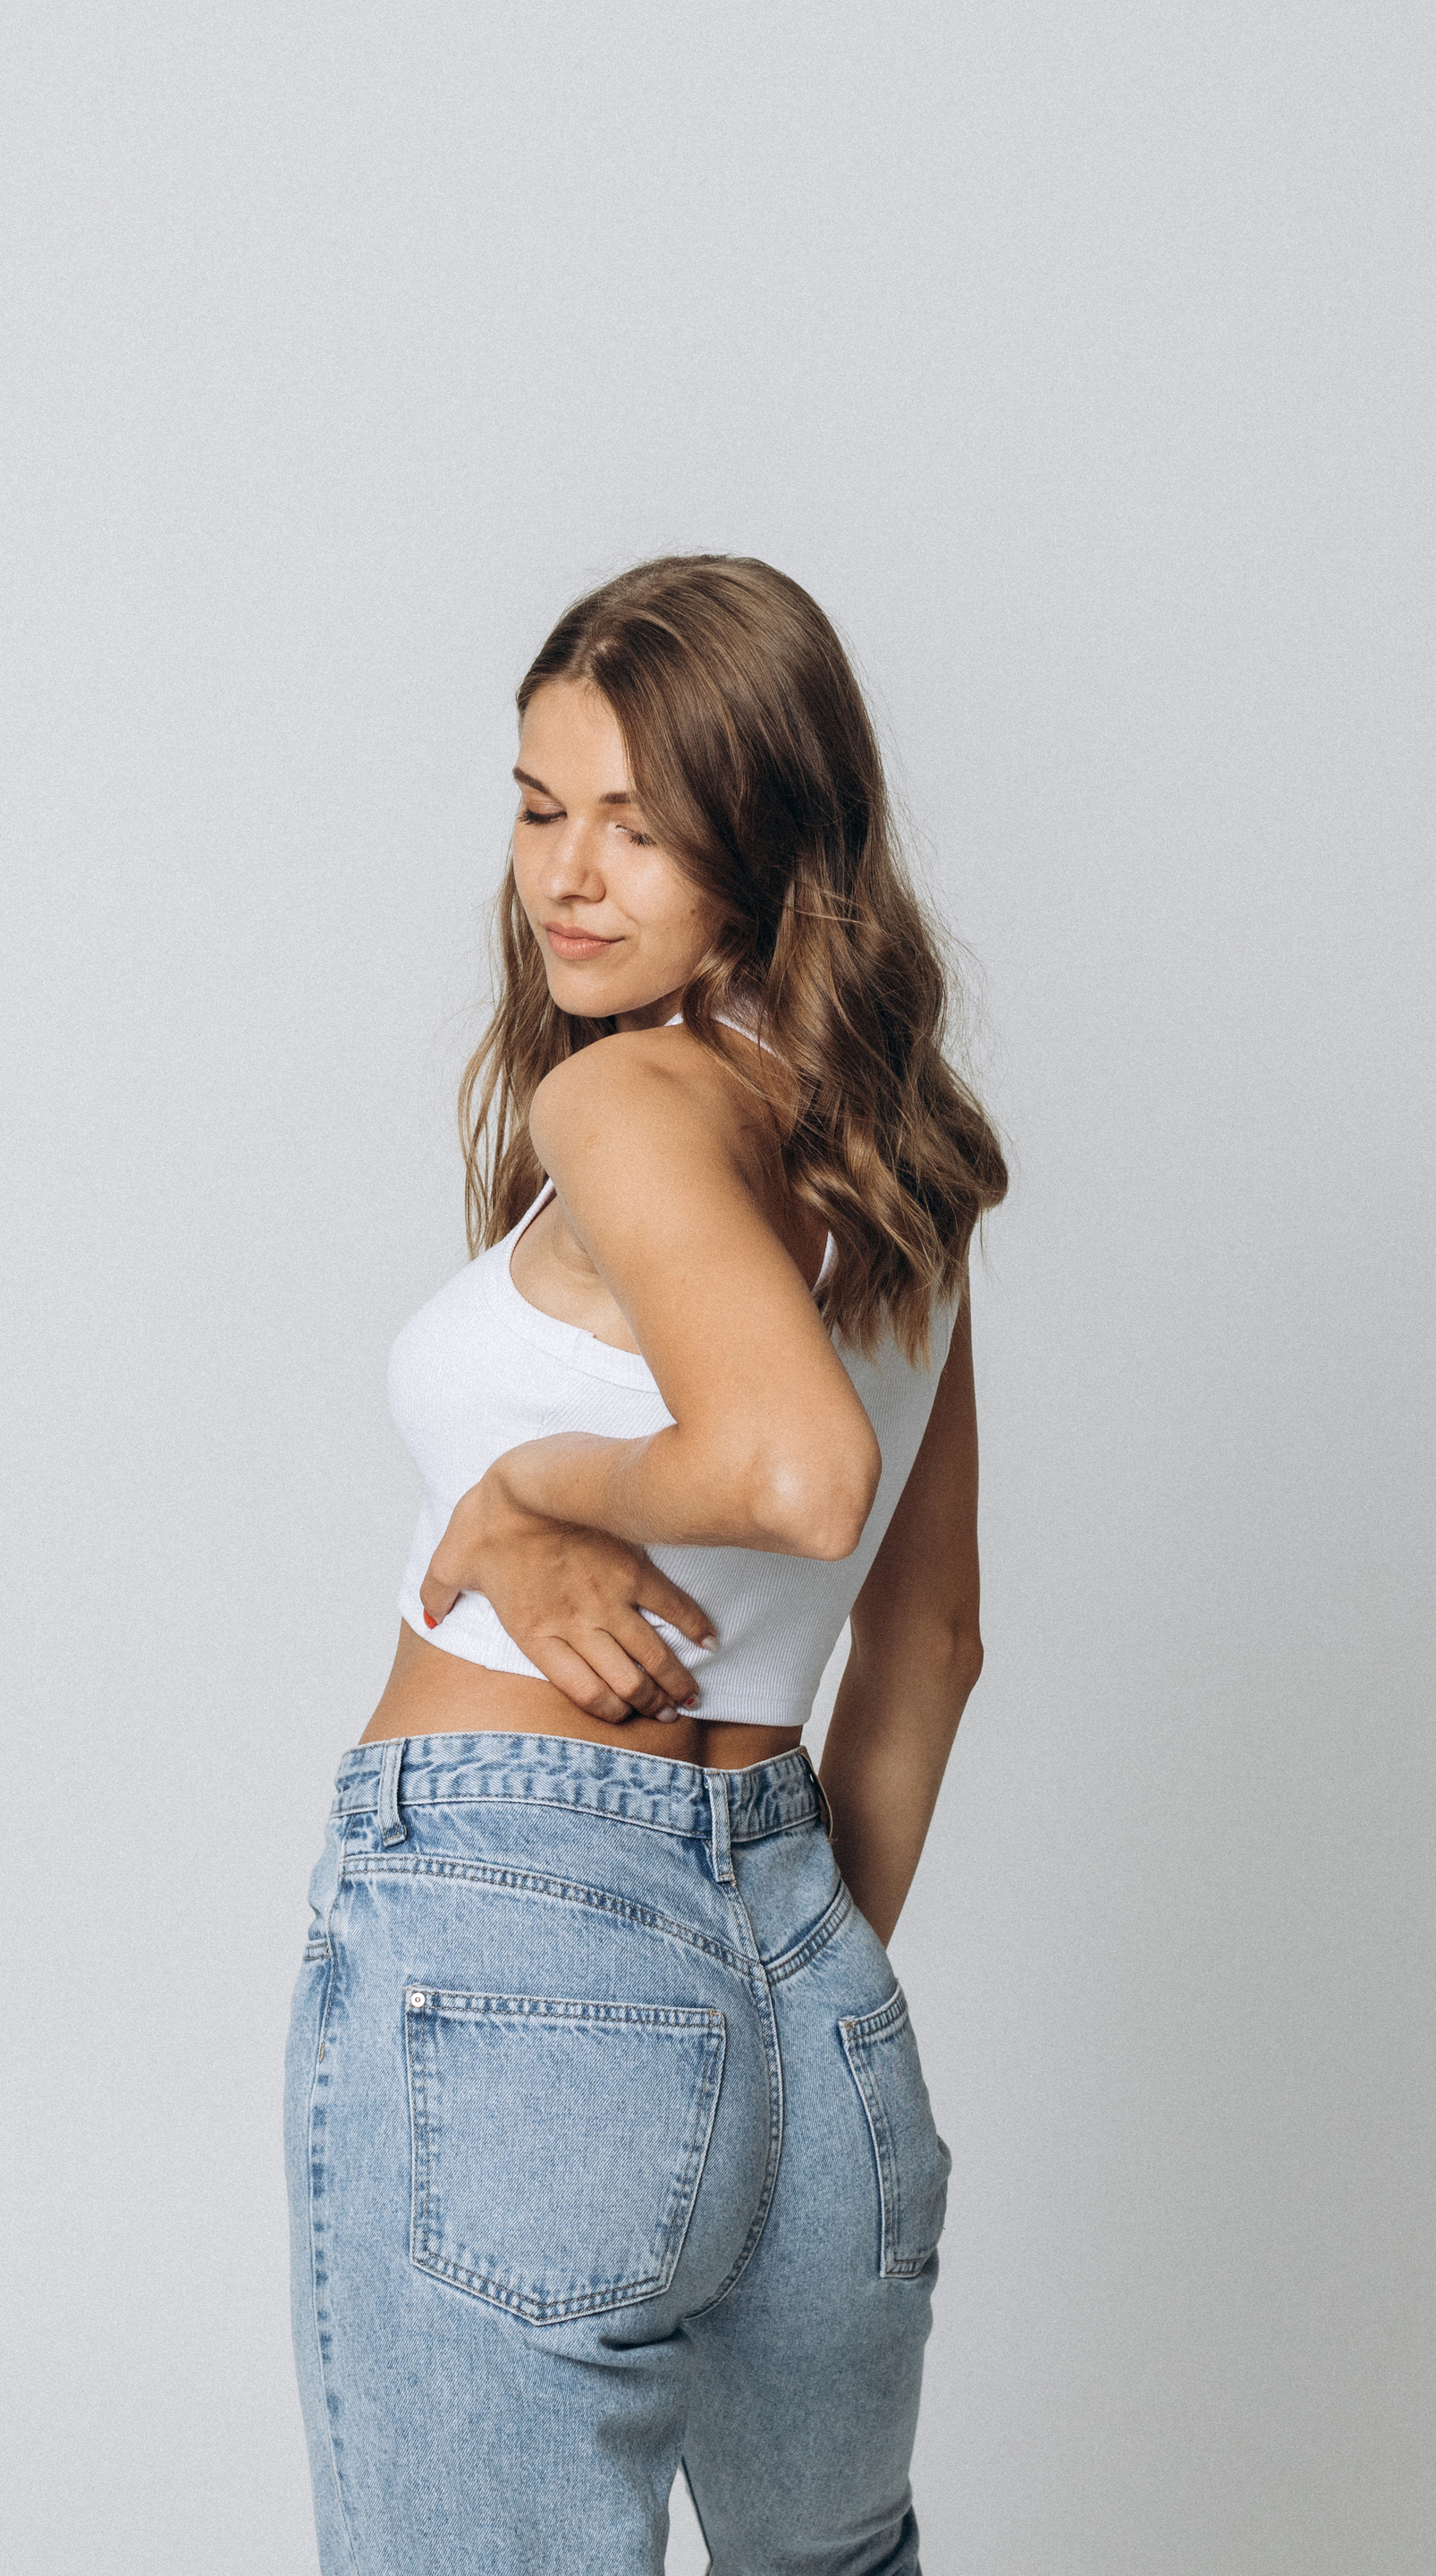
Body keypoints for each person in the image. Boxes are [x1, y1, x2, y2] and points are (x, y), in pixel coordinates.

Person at [284, 555, 1008, 2575]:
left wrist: (530, 1487)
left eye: (641, 824)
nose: (569, 877)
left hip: (511, 1937)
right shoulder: (902, 1158)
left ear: (770, 835)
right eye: (539, 809)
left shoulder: (625, 1096)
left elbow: (797, 1470)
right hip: (805, 1982)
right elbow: (932, 1644)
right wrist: (764, 1980)